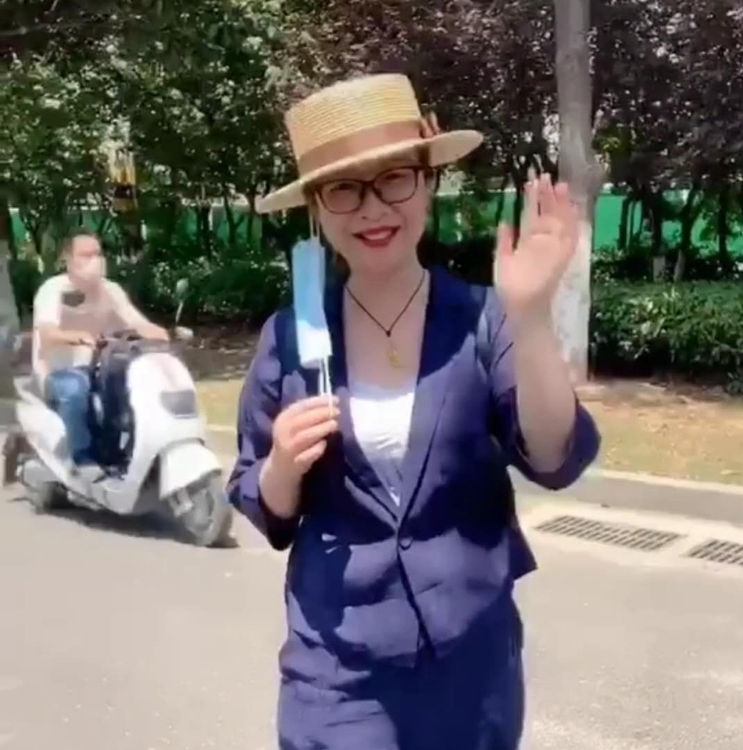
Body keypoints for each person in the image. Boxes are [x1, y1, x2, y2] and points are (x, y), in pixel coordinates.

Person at [227, 74, 601, 750]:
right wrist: (282, 465)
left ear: (428, 183)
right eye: (344, 188)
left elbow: (553, 456)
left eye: (395, 178)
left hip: (470, 663)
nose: (372, 209)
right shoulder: (290, 337)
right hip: (337, 663)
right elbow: (259, 496)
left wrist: (530, 317)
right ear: (317, 208)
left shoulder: (483, 319)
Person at [32, 228, 169, 466]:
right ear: (68, 259)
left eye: (98, 254)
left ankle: (120, 452)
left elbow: (136, 321)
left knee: (136, 385)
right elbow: (47, 333)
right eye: (86, 255)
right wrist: (78, 337)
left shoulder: (110, 290)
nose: (95, 260)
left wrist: (157, 332)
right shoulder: (53, 289)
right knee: (76, 387)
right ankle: (81, 459)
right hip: (57, 372)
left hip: (99, 368)